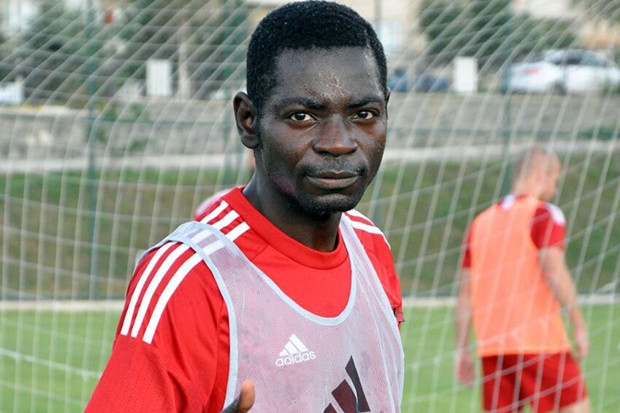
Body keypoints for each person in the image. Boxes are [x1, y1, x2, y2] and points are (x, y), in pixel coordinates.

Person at [85, 2, 404, 412]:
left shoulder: (371, 246)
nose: (339, 142)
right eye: (302, 116)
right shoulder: (193, 280)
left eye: (363, 114)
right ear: (248, 121)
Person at [454, 146, 591, 413]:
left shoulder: (480, 223)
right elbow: (554, 272)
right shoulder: (543, 214)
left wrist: (462, 349)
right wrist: (579, 325)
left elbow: (465, 294)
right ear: (541, 174)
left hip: (493, 348)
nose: (554, 189)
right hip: (540, 341)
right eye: (554, 180)